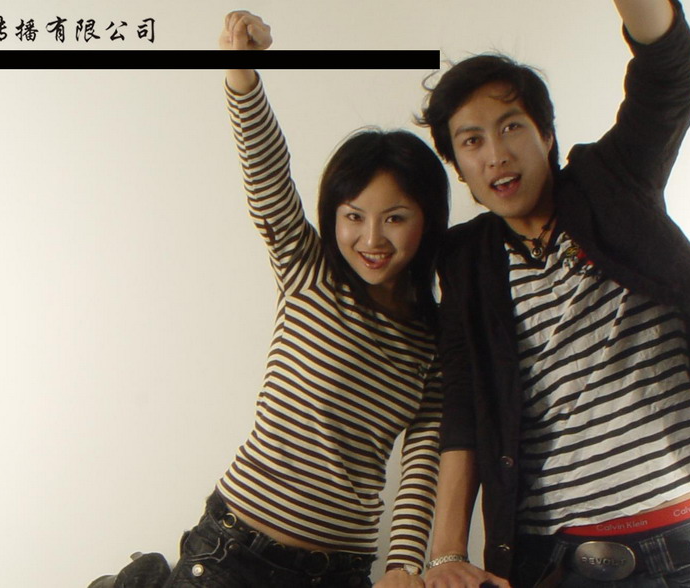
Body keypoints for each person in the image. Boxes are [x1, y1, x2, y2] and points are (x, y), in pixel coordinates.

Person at [95, 11, 450, 588]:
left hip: (340, 572)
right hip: (237, 551)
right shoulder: (309, 270)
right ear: (333, 216)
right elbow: (267, 178)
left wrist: (403, 565)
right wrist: (242, 75)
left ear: (427, 219)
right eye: (353, 217)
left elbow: (422, 458)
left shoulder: (433, 337)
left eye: (395, 218)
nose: (372, 239)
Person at [418, 1, 690, 587]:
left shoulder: (612, 183)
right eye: (472, 141)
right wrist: (447, 554)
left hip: (671, 552)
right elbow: (464, 409)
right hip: (547, 561)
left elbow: (667, 72)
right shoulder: (467, 262)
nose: (496, 153)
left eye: (511, 127)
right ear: (459, 167)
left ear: (547, 135)